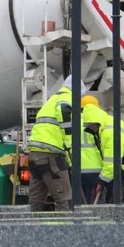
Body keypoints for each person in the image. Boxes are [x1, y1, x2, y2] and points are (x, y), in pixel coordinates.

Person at [82, 101, 124, 203]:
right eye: (88, 125)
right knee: (114, 202)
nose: (90, 128)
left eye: (91, 124)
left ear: (96, 121)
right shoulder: (105, 126)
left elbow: (111, 161)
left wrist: (102, 180)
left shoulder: (110, 132)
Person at [26, 83, 74, 212]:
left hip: (35, 154)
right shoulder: (67, 96)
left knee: (36, 200)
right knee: (64, 199)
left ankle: (32, 227)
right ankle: (66, 230)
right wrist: (70, 144)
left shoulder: (51, 100)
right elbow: (64, 109)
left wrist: (68, 163)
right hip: (51, 155)